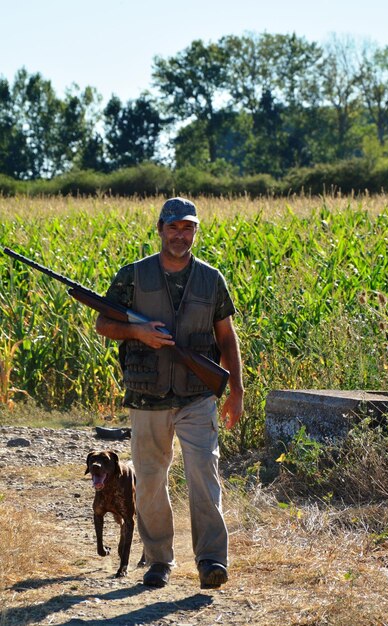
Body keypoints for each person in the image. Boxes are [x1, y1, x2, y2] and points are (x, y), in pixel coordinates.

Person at [95, 197, 244, 589]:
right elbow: (103, 323)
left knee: (203, 477)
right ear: (160, 228)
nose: (181, 235)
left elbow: (227, 337)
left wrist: (237, 390)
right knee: (148, 482)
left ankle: (211, 560)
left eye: (188, 228)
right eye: (174, 227)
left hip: (198, 396)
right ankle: (159, 560)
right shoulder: (133, 275)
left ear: (195, 231)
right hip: (147, 397)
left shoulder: (211, 279)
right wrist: (138, 332)